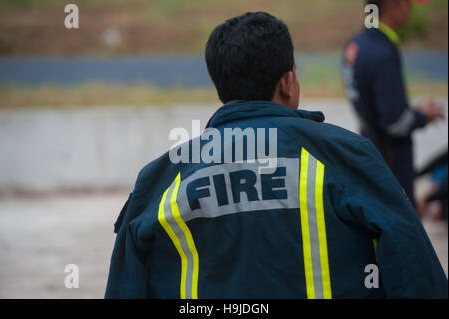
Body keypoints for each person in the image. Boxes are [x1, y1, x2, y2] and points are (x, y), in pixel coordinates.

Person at [105, 12, 447, 299]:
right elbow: (416, 274)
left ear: (221, 85)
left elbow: (124, 285)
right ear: (287, 82)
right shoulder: (347, 155)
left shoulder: (159, 177)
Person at [342, 0, 445, 208]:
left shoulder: (356, 44)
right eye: (408, 3)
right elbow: (395, 123)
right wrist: (424, 117)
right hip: (392, 161)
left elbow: (374, 106)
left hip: (371, 147)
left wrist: (410, 111)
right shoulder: (381, 52)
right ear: (393, 4)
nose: (411, 9)